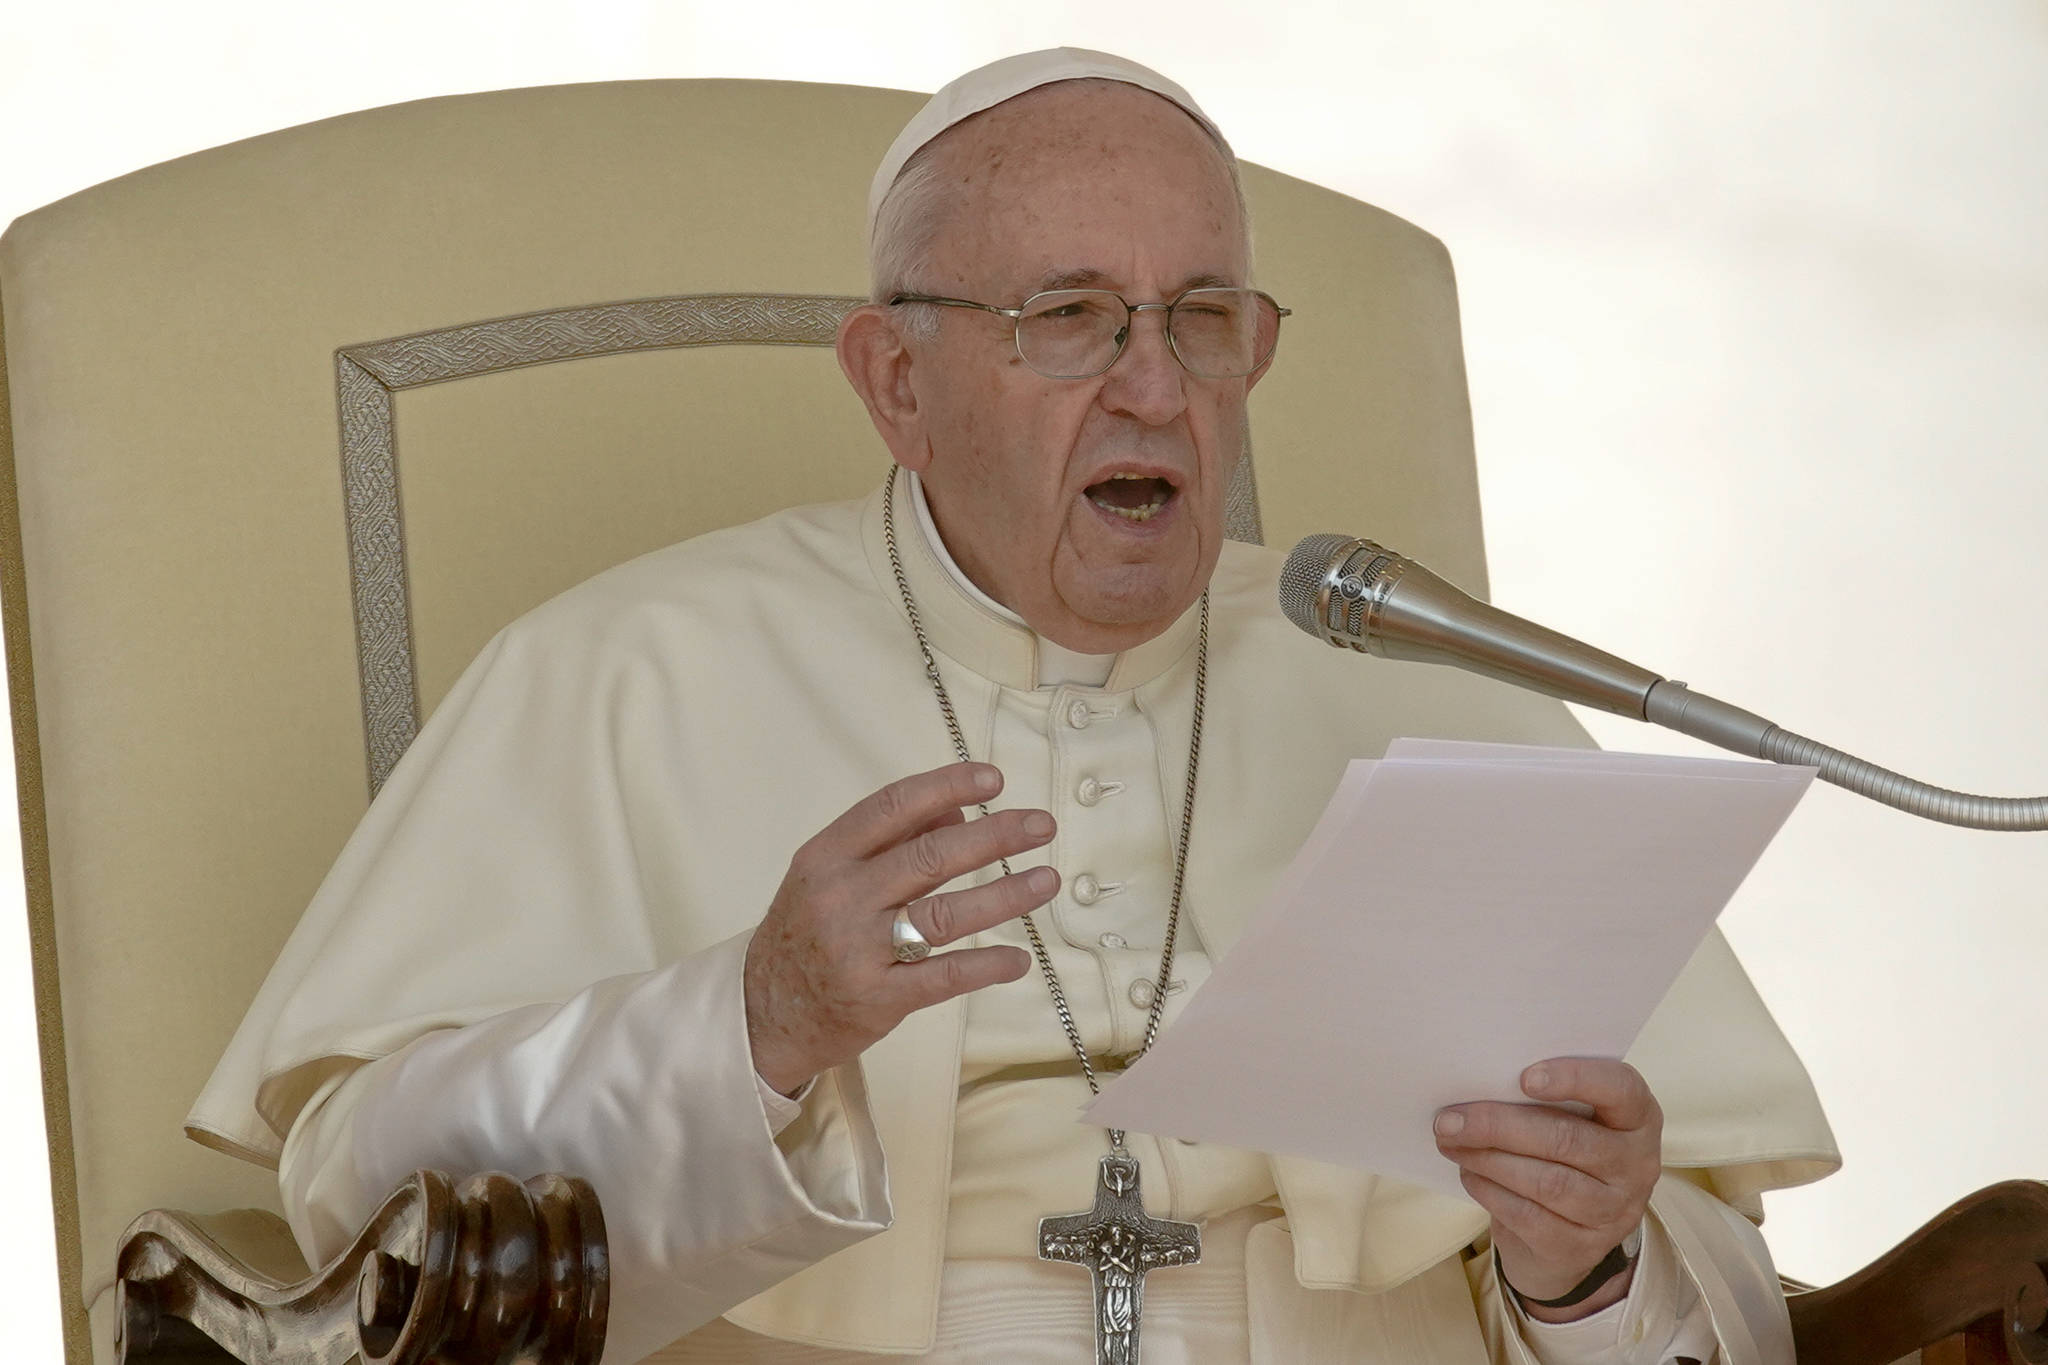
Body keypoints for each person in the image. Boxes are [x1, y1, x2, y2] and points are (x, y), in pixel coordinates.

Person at [190, 49, 1838, 1365]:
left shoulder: (1415, 679)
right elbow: (360, 1197)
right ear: (897, 383)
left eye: (1203, 320)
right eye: (1068, 319)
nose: (1154, 385)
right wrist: (748, 1026)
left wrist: (1585, 1269)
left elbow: (1713, 1296)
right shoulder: (627, 668)